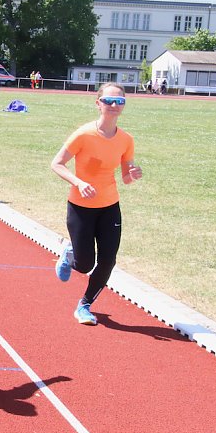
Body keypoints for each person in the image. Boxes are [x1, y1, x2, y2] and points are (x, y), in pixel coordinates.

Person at [50, 82, 142, 325]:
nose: (114, 105)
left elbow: (125, 177)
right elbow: (57, 163)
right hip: (80, 207)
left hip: (110, 206)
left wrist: (132, 175)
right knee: (85, 264)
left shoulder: (126, 139)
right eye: (108, 101)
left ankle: (85, 304)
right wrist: (78, 183)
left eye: (119, 102)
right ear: (98, 104)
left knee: (108, 260)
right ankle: (70, 253)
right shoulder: (84, 134)